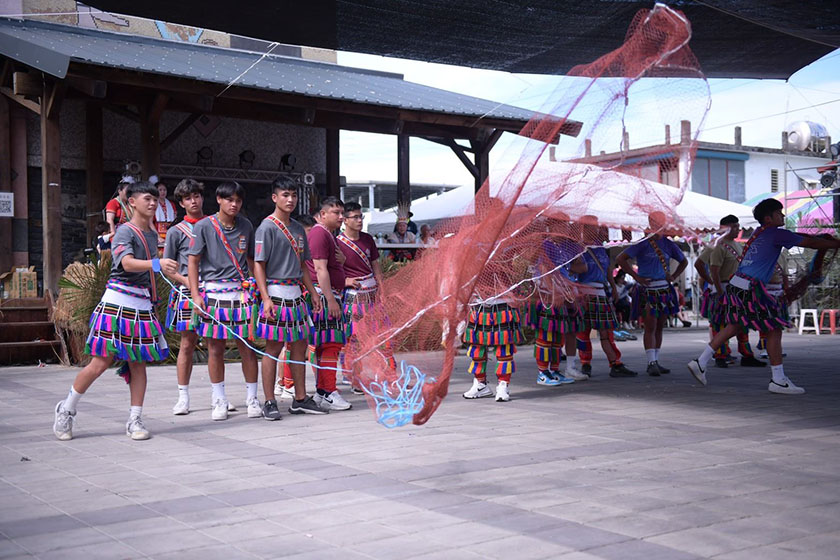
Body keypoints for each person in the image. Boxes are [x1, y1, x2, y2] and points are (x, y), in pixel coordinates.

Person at [53, 181, 177, 441]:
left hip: (142, 305)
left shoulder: (153, 234)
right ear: (132, 202)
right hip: (117, 303)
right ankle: (67, 408)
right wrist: (156, 263)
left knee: (138, 363)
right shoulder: (124, 232)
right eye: (147, 199)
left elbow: (151, 270)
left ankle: (135, 418)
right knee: (101, 362)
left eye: (156, 199)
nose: (153, 203)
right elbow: (128, 263)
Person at [688, 198, 840, 394]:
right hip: (751, 288)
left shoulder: (761, 233)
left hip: (737, 286)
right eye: (779, 213)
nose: (783, 216)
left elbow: (802, 237)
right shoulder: (776, 234)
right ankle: (778, 380)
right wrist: (835, 243)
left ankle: (701, 361)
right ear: (768, 218)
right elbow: (810, 242)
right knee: (774, 329)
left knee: (736, 325)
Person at [254, 177, 326, 418]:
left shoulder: (297, 228)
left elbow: (303, 265)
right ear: (275, 198)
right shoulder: (266, 227)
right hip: (275, 293)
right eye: (285, 195)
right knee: (273, 348)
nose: (290, 199)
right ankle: (269, 401)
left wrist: (313, 293)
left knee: (300, 347)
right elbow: (259, 265)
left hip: (296, 295)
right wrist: (265, 298)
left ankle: (300, 398)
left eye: (294, 195)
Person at [188, 181, 260, 420]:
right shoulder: (203, 226)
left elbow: (251, 260)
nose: (234, 204)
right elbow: (193, 261)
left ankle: (252, 399)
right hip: (213, 293)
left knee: (247, 348)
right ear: (218, 199)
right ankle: (219, 399)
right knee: (215, 349)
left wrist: (259, 290)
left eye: (238, 201)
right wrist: (196, 294)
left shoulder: (246, 225)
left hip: (241, 293)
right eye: (229, 200)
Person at [617, 212, 688, 376]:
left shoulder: (669, 244)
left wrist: (674, 276)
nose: (659, 224)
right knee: (650, 326)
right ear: (650, 222)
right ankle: (651, 362)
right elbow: (621, 258)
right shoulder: (642, 243)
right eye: (656, 222)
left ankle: (655, 360)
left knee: (659, 327)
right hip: (647, 289)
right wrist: (636, 277)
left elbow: (683, 261)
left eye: (662, 221)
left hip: (664, 288)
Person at [338, 202, 395, 390]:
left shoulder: (368, 239)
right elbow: (332, 270)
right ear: (345, 220)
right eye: (355, 217)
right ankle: (353, 376)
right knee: (352, 337)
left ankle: (390, 375)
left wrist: (382, 288)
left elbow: (375, 264)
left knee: (382, 334)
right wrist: (345, 281)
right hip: (353, 296)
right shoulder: (338, 242)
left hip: (372, 293)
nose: (359, 220)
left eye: (360, 216)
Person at [698, 215, 765, 368]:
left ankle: (746, 354)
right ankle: (721, 355)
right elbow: (712, 270)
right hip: (723, 288)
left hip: (738, 289)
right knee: (720, 323)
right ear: (724, 228)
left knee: (742, 322)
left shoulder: (738, 245)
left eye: (738, 226)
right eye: (734, 226)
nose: (738, 229)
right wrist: (717, 288)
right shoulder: (717, 245)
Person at [163, 178, 205, 416]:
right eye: (188, 198)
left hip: (213, 290)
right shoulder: (175, 232)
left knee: (216, 344)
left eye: (197, 196)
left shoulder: (214, 224)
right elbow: (169, 268)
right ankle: (183, 396)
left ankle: (218, 396)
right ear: (181, 203)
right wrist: (189, 283)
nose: (194, 201)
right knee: (187, 344)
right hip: (187, 293)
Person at [306, 196, 353, 411]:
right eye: (336, 213)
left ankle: (322, 391)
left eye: (342, 213)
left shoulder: (327, 235)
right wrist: (331, 299)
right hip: (324, 296)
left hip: (328, 294)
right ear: (323, 215)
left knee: (327, 345)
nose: (341, 217)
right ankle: (328, 391)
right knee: (330, 345)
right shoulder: (318, 233)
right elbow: (320, 269)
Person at [574, 221, 637, 378]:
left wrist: (613, 287)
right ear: (584, 228)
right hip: (584, 293)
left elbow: (608, 269)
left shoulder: (601, 248)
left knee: (606, 332)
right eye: (596, 228)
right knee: (583, 331)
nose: (601, 231)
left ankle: (615, 363)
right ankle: (585, 363)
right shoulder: (577, 247)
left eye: (600, 228)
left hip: (601, 293)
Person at [527, 222, 587, 386]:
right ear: (551, 227)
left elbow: (579, 267)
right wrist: (554, 291)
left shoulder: (568, 246)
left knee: (557, 336)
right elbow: (542, 267)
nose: (565, 229)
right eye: (560, 225)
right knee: (545, 335)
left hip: (562, 294)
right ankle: (542, 373)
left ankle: (554, 371)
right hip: (546, 295)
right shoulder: (543, 245)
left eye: (566, 226)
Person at [154, 177, 178, 247]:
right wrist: (158, 237)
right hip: (157, 235)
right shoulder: (153, 204)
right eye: (160, 190)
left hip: (170, 234)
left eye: (164, 190)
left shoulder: (171, 204)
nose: (163, 192)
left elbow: (175, 220)